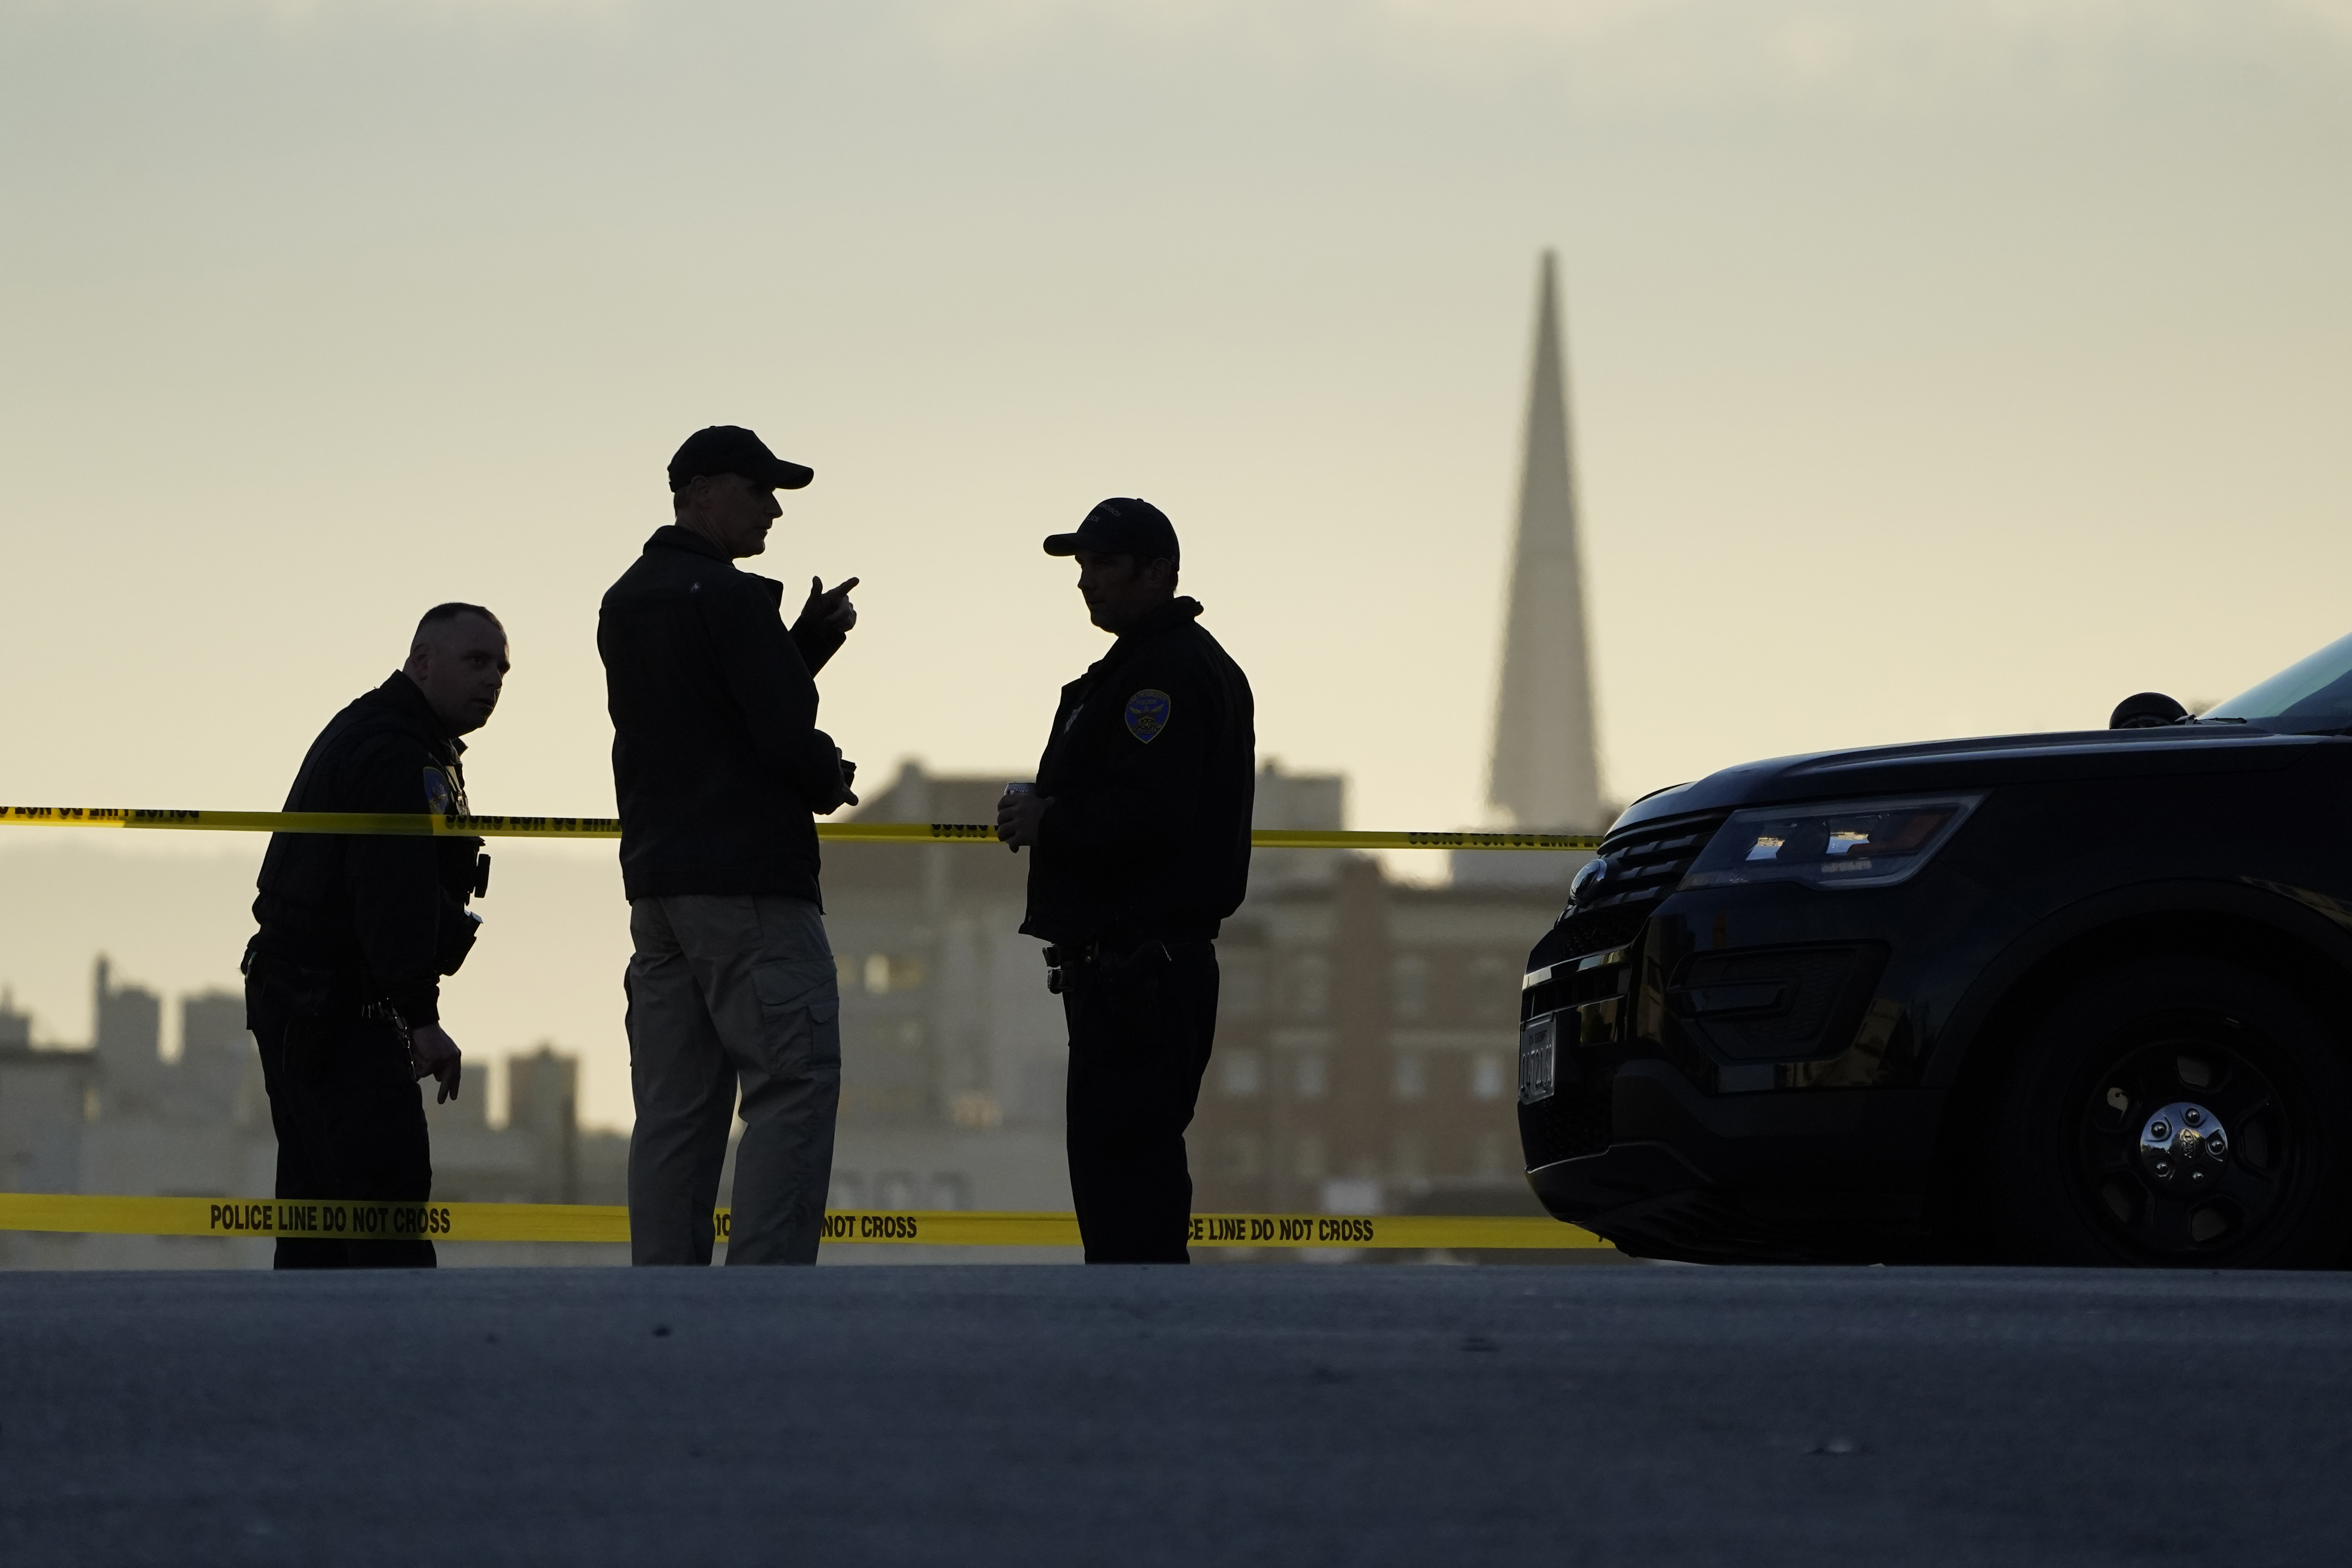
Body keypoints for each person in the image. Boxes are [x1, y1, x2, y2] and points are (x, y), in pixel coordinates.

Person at [599, 425, 862, 1267]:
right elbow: (779, 735)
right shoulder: (731, 599)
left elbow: (705, 714)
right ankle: (765, 1298)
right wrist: (830, 777)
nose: (774, 508)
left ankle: (665, 1297)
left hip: (661, 889)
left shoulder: (629, 598)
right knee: (792, 1081)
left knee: (676, 1108)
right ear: (702, 489)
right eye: (759, 490)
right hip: (751, 883)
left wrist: (802, 646)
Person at [996, 498, 1255, 1263]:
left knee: (1128, 1181)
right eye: (1081, 566)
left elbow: (1152, 814)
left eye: (1103, 564)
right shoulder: (1146, 667)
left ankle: (1144, 1341)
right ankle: (1140, 1335)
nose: (1085, 581)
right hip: (1126, 969)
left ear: (1158, 573)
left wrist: (1051, 819)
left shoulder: (1164, 675)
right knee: (1120, 1177)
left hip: (1140, 969)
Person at [243, 604, 506, 1269]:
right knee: (383, 1209)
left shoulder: (401, 738)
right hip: (335, 1007)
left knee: (321, 1215)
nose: (494, 679)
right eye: (476, 661)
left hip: (312, 999)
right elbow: (391, 892)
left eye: (501, 668)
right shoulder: (394, 752)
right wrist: (422, 1016)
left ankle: (324, 1362)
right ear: (423, 662)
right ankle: (390, 1361)